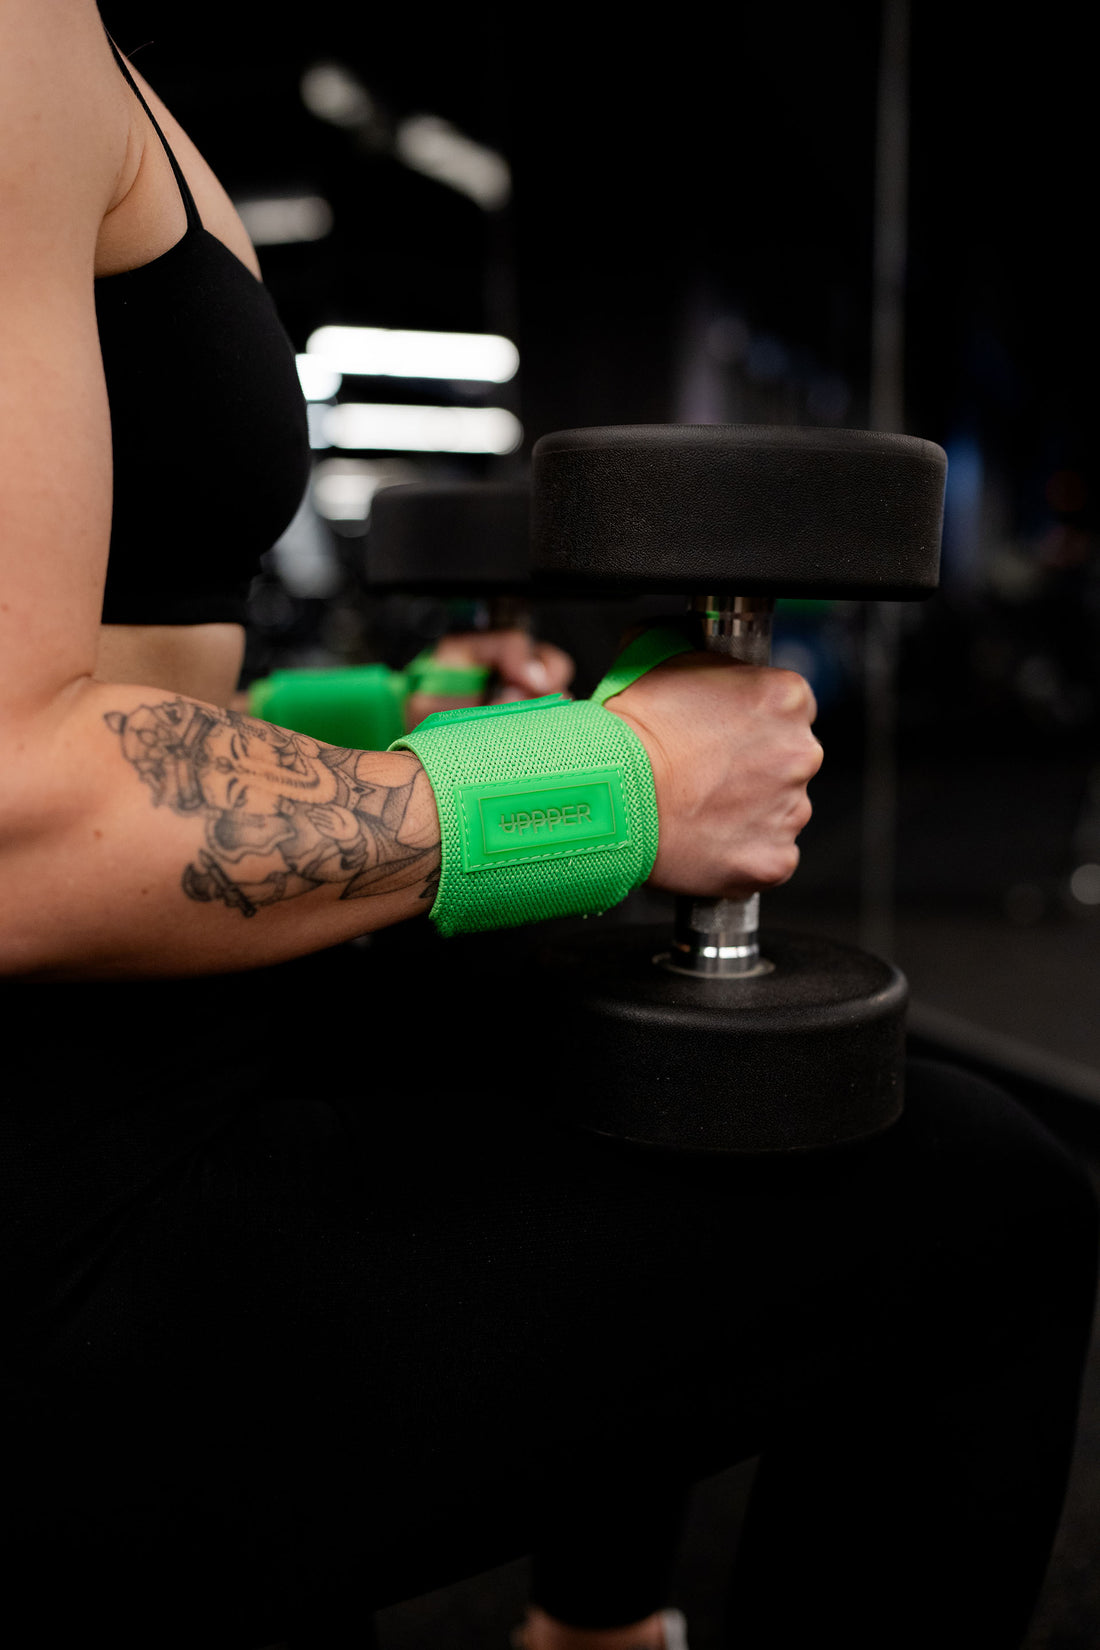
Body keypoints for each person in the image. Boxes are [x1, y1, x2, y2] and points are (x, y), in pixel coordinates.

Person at [0, 6, 1096, 1648]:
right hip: (61, 1209)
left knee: (617, 1048)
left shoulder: (81, 45)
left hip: (163, 1029)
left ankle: (593, 1619)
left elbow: (105, 663)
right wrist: (610, 781)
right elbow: (18, 820)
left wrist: (393, 724)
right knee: (993, 1217)